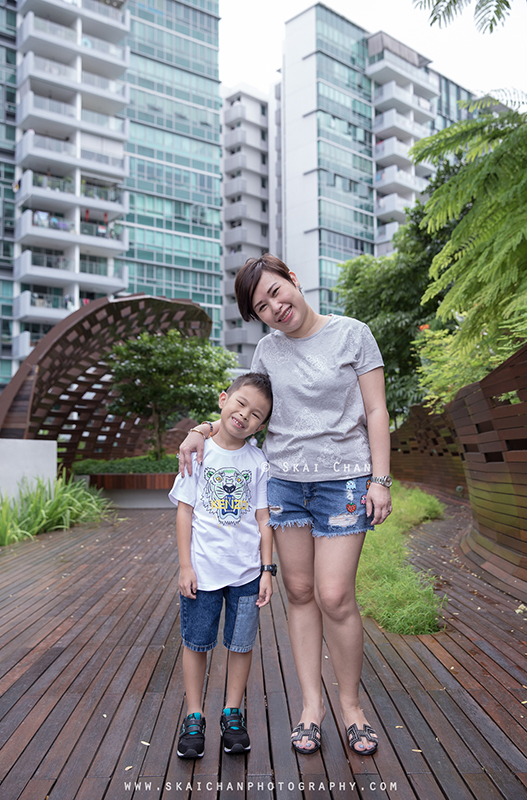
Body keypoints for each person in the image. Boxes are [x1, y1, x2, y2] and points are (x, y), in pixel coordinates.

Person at [179, 255, 392, 757]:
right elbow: (243, 411)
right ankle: (311, 706)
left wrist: (380, 480)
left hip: (344, 483)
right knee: (298, 592)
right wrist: (202, 430)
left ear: (293, 281)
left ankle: (351, 706)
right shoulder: (268, 352)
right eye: (262, 306)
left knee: (334, 594)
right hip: (284, 485)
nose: (276, 307)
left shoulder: (353, 334)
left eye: (277, 292)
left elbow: (378, 409)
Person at [169, 372, 275, 759]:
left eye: (257, 414)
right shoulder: (199, 453)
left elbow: (264, 520)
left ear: (262, 426)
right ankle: (194, 715)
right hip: (204, 571)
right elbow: (184, 513)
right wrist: (185, 565)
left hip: (247, 574)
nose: (244, 415)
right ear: (223, 400)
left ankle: (232, 713)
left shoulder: (258, 461)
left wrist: (267, 570)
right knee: (196, 643)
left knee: (241, 645)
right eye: (240, 403)